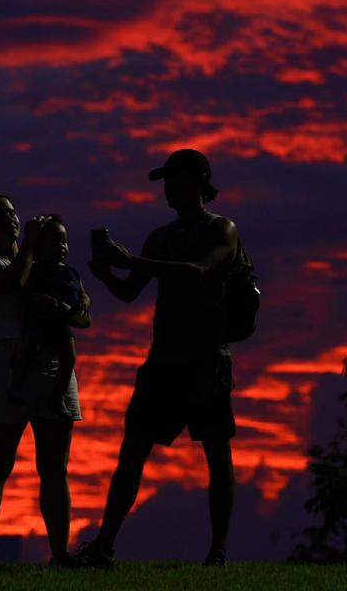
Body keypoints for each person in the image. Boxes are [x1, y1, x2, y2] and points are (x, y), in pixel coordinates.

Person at [72, 149, 239, 568]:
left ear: (201, 180)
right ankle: (105, 545)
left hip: (206, 362)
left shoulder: (223, 229)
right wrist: (109, 272)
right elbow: (131, 292)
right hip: (163, 360)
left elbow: (201, 270)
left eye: (176, 180)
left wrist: (131, 261)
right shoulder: (160, 236)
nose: (168, 189)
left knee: (217, 456)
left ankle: (218, 550)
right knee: (132, 452)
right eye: (166, 182)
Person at [0, 193, 88, 567]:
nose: (12, 220)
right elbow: (13, 281)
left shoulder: (48, 262)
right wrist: (31, 244)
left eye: (13, 213)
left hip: (50, 362)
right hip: (4, 363)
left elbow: (83, 309)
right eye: (2, 216)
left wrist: (65, 308)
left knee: (54, 468)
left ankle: (61, 553)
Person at [9, 215, 89, 419]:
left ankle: (57, 397)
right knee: (29, 348)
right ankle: (16, 385)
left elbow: (82, 293)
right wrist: (37, 299)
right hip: (39, 320)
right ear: (40, 246)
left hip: (62, 322)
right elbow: (23, 292)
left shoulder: (71, 272)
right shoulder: (35, 269)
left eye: (64, 241)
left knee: (69, 357)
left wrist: (83, 302)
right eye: (55, 241)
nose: (62, 246)